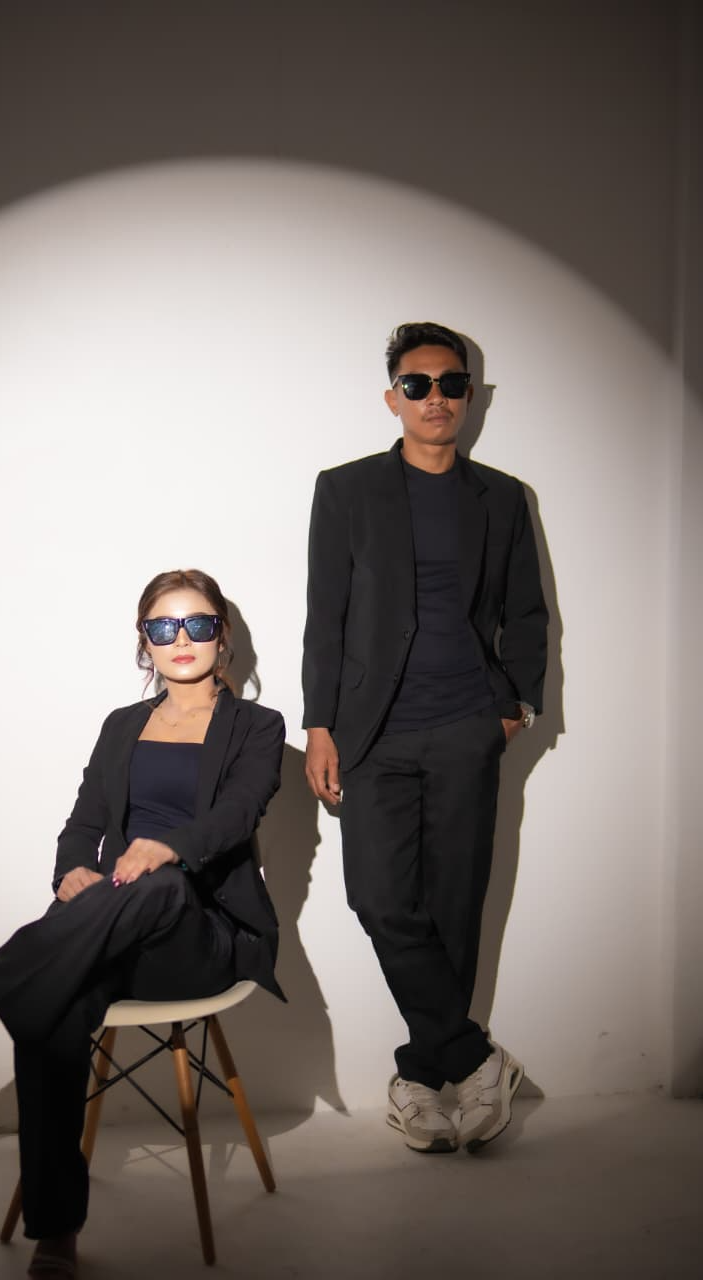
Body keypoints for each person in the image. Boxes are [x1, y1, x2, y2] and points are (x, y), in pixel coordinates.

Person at [0, 568, 285, 1279]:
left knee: (160, 884)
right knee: (52, 1013)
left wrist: (168, 848)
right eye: (163, 626)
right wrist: (71, 870)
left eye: (198, 624)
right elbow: (84, 822)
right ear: (144, 641)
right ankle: (57, 1230)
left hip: (198, 934)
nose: (181, 639)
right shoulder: (122, 725)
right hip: (110, 925)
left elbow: (236, 814)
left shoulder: (258, 726)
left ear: (222, 637)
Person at [303, 322, 547, 1155]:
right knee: (378, 899)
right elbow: (325, 617)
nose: (433, 398)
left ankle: (421, 1079)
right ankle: (473, 1060)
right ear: (392, 398)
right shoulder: (345, 490)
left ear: (468, 397)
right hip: (372, 732)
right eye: (417, 385)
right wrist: (319, 724)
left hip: (465, 725)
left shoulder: (503, 498)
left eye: (449, 384)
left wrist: (514, 707)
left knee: (453, 906)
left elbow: (526, 612)